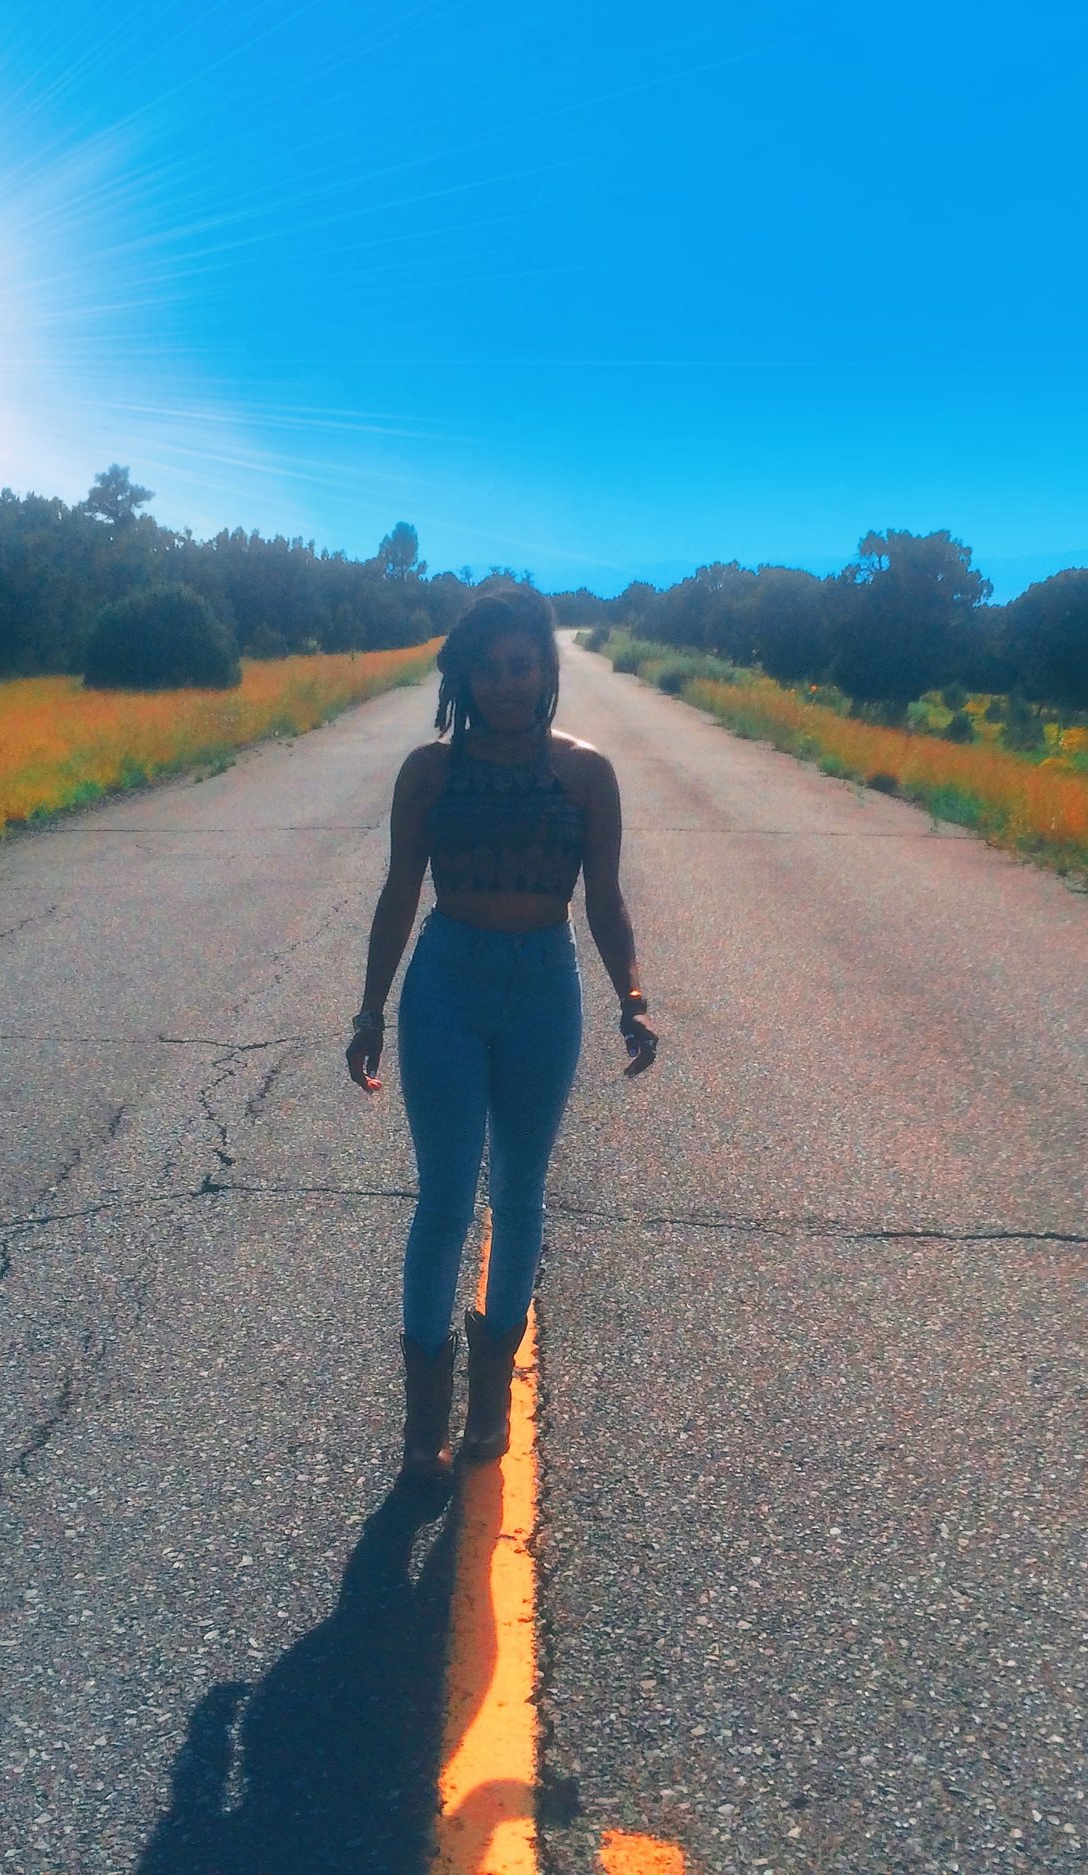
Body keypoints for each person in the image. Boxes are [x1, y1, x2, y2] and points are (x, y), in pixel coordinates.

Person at [346, 584, 657, 1484]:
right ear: (465, 675)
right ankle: (421, 1422)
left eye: (522, 665)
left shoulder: (586, 773)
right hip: (446, 982)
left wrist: (632, 996)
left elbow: (604, 899)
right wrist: (370, 1010)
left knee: (521, 1195)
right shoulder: (429, 773)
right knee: (445, 1200)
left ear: (548, 670)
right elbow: (401, 892)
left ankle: (489, 1404)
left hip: (544, 989)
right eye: (488, 667)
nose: (506, 683)